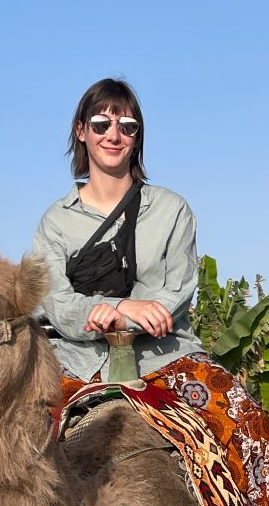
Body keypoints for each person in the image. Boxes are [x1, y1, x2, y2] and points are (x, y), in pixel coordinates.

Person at [31, 78, 203, 382]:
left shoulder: (172, 209)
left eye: (127, 126)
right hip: (78, 361)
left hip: (164, 356)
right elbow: (58, 303)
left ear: (137, 137)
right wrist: (120, 306)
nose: (114, 135)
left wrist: (121, 317)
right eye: (101, 124)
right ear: (81, 131)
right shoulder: (55, 222)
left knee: (242, 419)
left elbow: (178, 289)